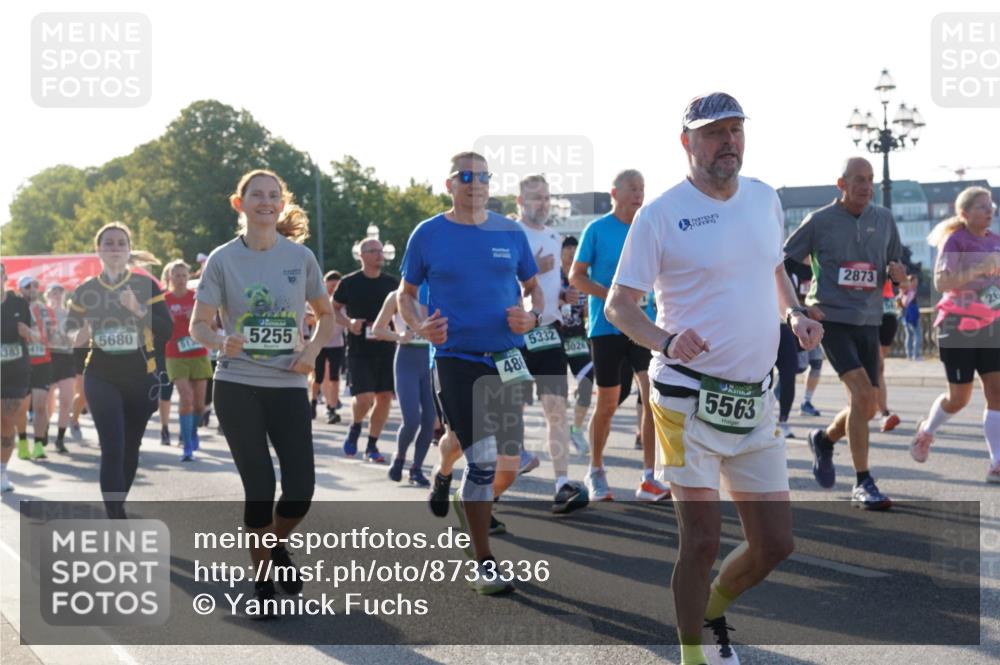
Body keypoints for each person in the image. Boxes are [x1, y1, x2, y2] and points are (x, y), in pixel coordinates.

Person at [606, 92, 823, 665]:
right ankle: (693, 653)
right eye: (713, 133)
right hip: (685, 398)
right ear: (687, 143)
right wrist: (666, 340)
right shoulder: (660, 214)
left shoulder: (764, 198)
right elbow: (619, 306)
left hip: (755, 397)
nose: (728, 141)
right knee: (701, 540)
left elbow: (773, 266)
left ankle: (713, 608)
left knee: (776, 543)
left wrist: (795, 312)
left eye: (735, 130)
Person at [399, 150, 542, 595]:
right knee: (481, 459)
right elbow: (404, 294)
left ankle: (447, 478)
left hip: (507, 359)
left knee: (506, 460)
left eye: (483, 176)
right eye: (465, 176)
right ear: (449, 184)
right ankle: (483, 561)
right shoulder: (428, 234)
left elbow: (534, 291)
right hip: (455, 358)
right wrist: (419, 325)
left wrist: (532, 318)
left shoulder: (510, 231)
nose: (475, 183)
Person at [190, 170, 333, 616]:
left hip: (289, 382)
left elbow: (325, 316)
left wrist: (310, 353)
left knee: (300, 492)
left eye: (274, 196)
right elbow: (199, 324)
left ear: (282, 203)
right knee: (260, 487)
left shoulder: (301, 257)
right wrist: (218, 341)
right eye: (257, 195)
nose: (266, 202)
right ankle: (263, 582)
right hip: (237, 384)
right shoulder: (222, 259)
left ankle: (275, 545)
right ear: (241, 203)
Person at [784, 156, 906, 510]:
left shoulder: (883, 219)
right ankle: (863, 482)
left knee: (865, 406)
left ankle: (824, 438)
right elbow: (785, 265)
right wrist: (801, 308)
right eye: (859, 180)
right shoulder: (819, 221)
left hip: (868, 320)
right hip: (832, 320)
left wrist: (899, 274)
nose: (867, 186)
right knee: (861, 393)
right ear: (842, 184)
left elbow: (898, 269)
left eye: (870, 180)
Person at [570, 169, 669, 502]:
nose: (639, 194)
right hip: (606, 326)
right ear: (615, 193)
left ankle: (649, 478)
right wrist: (613, 297)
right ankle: (595, 469)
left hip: (644, 326)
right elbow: (577, 277)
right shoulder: (596, 230)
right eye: (632, 188)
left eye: (642, 188)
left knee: (652, 395)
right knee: (609, 402)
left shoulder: (649, 229)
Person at [65, 222, 173, 519]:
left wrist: (138, 310)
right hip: (100, 375)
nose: (114, 248)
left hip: (140, 377)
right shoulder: (86, 290)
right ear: (98, 249)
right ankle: (115, 516)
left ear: (128, 250)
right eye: (108, 243)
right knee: (112, 446)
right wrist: (81, 333)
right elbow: (71, 335)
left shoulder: (146, 285)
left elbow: (166, 330)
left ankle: (117, 503)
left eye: (120, 243)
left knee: (130, 448)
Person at [911, 187, 1000, 482]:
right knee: (959, 398)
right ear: (964, 213)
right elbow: (942, 281)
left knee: (997, 392)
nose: (990, 210)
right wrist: (978, 269)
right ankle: (926, 431)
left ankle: (997, 462)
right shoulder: (956, 241)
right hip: (957, 326)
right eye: (982, 207)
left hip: (991, 325)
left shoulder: (996, 242)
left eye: (991, 206)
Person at [515, 174, 589, 514]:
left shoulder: (554, 236)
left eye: (545, 198)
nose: (542, 204)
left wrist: (564, 294)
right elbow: (495, 284)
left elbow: (551, 283)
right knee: (505, 412)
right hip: (512, 335)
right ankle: (488, 478)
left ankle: (561, 483)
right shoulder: (507, 235)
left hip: (547, 331)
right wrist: (528, 271)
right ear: (520, 202)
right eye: (535, 198)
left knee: (555, 412)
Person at [332, 238, 399, 463]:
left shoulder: (392, 283)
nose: (380, 255)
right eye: (374, 251)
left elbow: (405, 309)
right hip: (359, 349)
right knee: (364, 398)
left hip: (387, 348)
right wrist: (349, 322)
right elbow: (333, 309)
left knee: (384, 398)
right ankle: (355, 426)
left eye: (381, 251)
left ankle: (372, 445)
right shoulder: (349, 282)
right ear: (362, 255)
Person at [372, 286, 434, 486]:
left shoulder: (438, 290)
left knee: (429, 420)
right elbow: (377, 328)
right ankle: (399, 457)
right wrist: (398, 336)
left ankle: (416, 468)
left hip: (432, 362)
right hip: (406, 360)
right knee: (412, 419)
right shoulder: (396, 296)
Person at [163, 259, 213, 462]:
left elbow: (214, 325)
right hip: (175, 354)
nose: (181, 279)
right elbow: (157, 326)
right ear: (170, 278)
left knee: (199, 404)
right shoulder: (164, 300)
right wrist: (168, 320)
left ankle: (192, 433)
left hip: (198, 353)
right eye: (177, 275)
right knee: (185, 396)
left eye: (184, 275)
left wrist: (199, 318)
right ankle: (185, 443)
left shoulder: (197, 298)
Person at [1, 263, 34, 492]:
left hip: (15, 372)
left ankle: (2, 472)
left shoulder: (20, 304)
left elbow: (31, 335)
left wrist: (25, 331)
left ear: (4, 277)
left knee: (7, 422)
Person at [559, 235, 593, 454]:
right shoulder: (552, 276)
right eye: (567, 248)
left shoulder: (583, 277)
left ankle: (576, 429)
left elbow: (587, 310)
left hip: (577, 336)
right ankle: (559, 433)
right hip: (554, 335)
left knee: (587, 382)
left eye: (575, 248)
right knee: (556, 389)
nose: (572, 252)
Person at [17, 276, 55, 460]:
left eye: (35, 286)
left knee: (40, 406)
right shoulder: (13, 309)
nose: (32, 289)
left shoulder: (46, 310)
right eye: (27, 286)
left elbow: (53, 336)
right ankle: (23, 441)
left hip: (43, 362)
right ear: (20, 289)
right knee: (21, 408)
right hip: (20, 364)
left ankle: (39, 444)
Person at [44, 283, 77, 453]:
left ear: (64, 295)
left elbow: (76, 336)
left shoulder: (70, 314)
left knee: (66, 399)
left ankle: (60, 438)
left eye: (60, 293)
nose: (57, 296)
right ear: (47, 296)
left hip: (67, 357)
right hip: (49, 357)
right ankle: (44, 427)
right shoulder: (43, 313)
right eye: (53, 293)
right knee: (47, 400)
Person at [312, 270, 346, 424]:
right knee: (318, 376)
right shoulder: (317, 300)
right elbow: (308, 319)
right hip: (320, 343)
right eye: (331, 285)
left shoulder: (343, 302)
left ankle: (331, 408)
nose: (334, 289)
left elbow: (348, 319)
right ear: (325, 284)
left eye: (337, 286)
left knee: (334, 377)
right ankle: (312, 403)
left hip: (337, 344)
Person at [875, 278, 901, 432]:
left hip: (889, 312)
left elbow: (902, 281)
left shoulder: (890, 254)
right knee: (876, 366)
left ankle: (878, 409)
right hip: (870, 310)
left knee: (878, 367)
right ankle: (883, 412)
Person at [902, 274, 922, 360]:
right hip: (912, 315)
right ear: (911, 282)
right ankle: (915, 355)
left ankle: (909, 355)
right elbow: (906, 303)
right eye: (915, 281)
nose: (916, 283)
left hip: (906, 315)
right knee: (917, 335)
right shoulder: (911, 291)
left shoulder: (904, 291)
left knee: (909, 335)